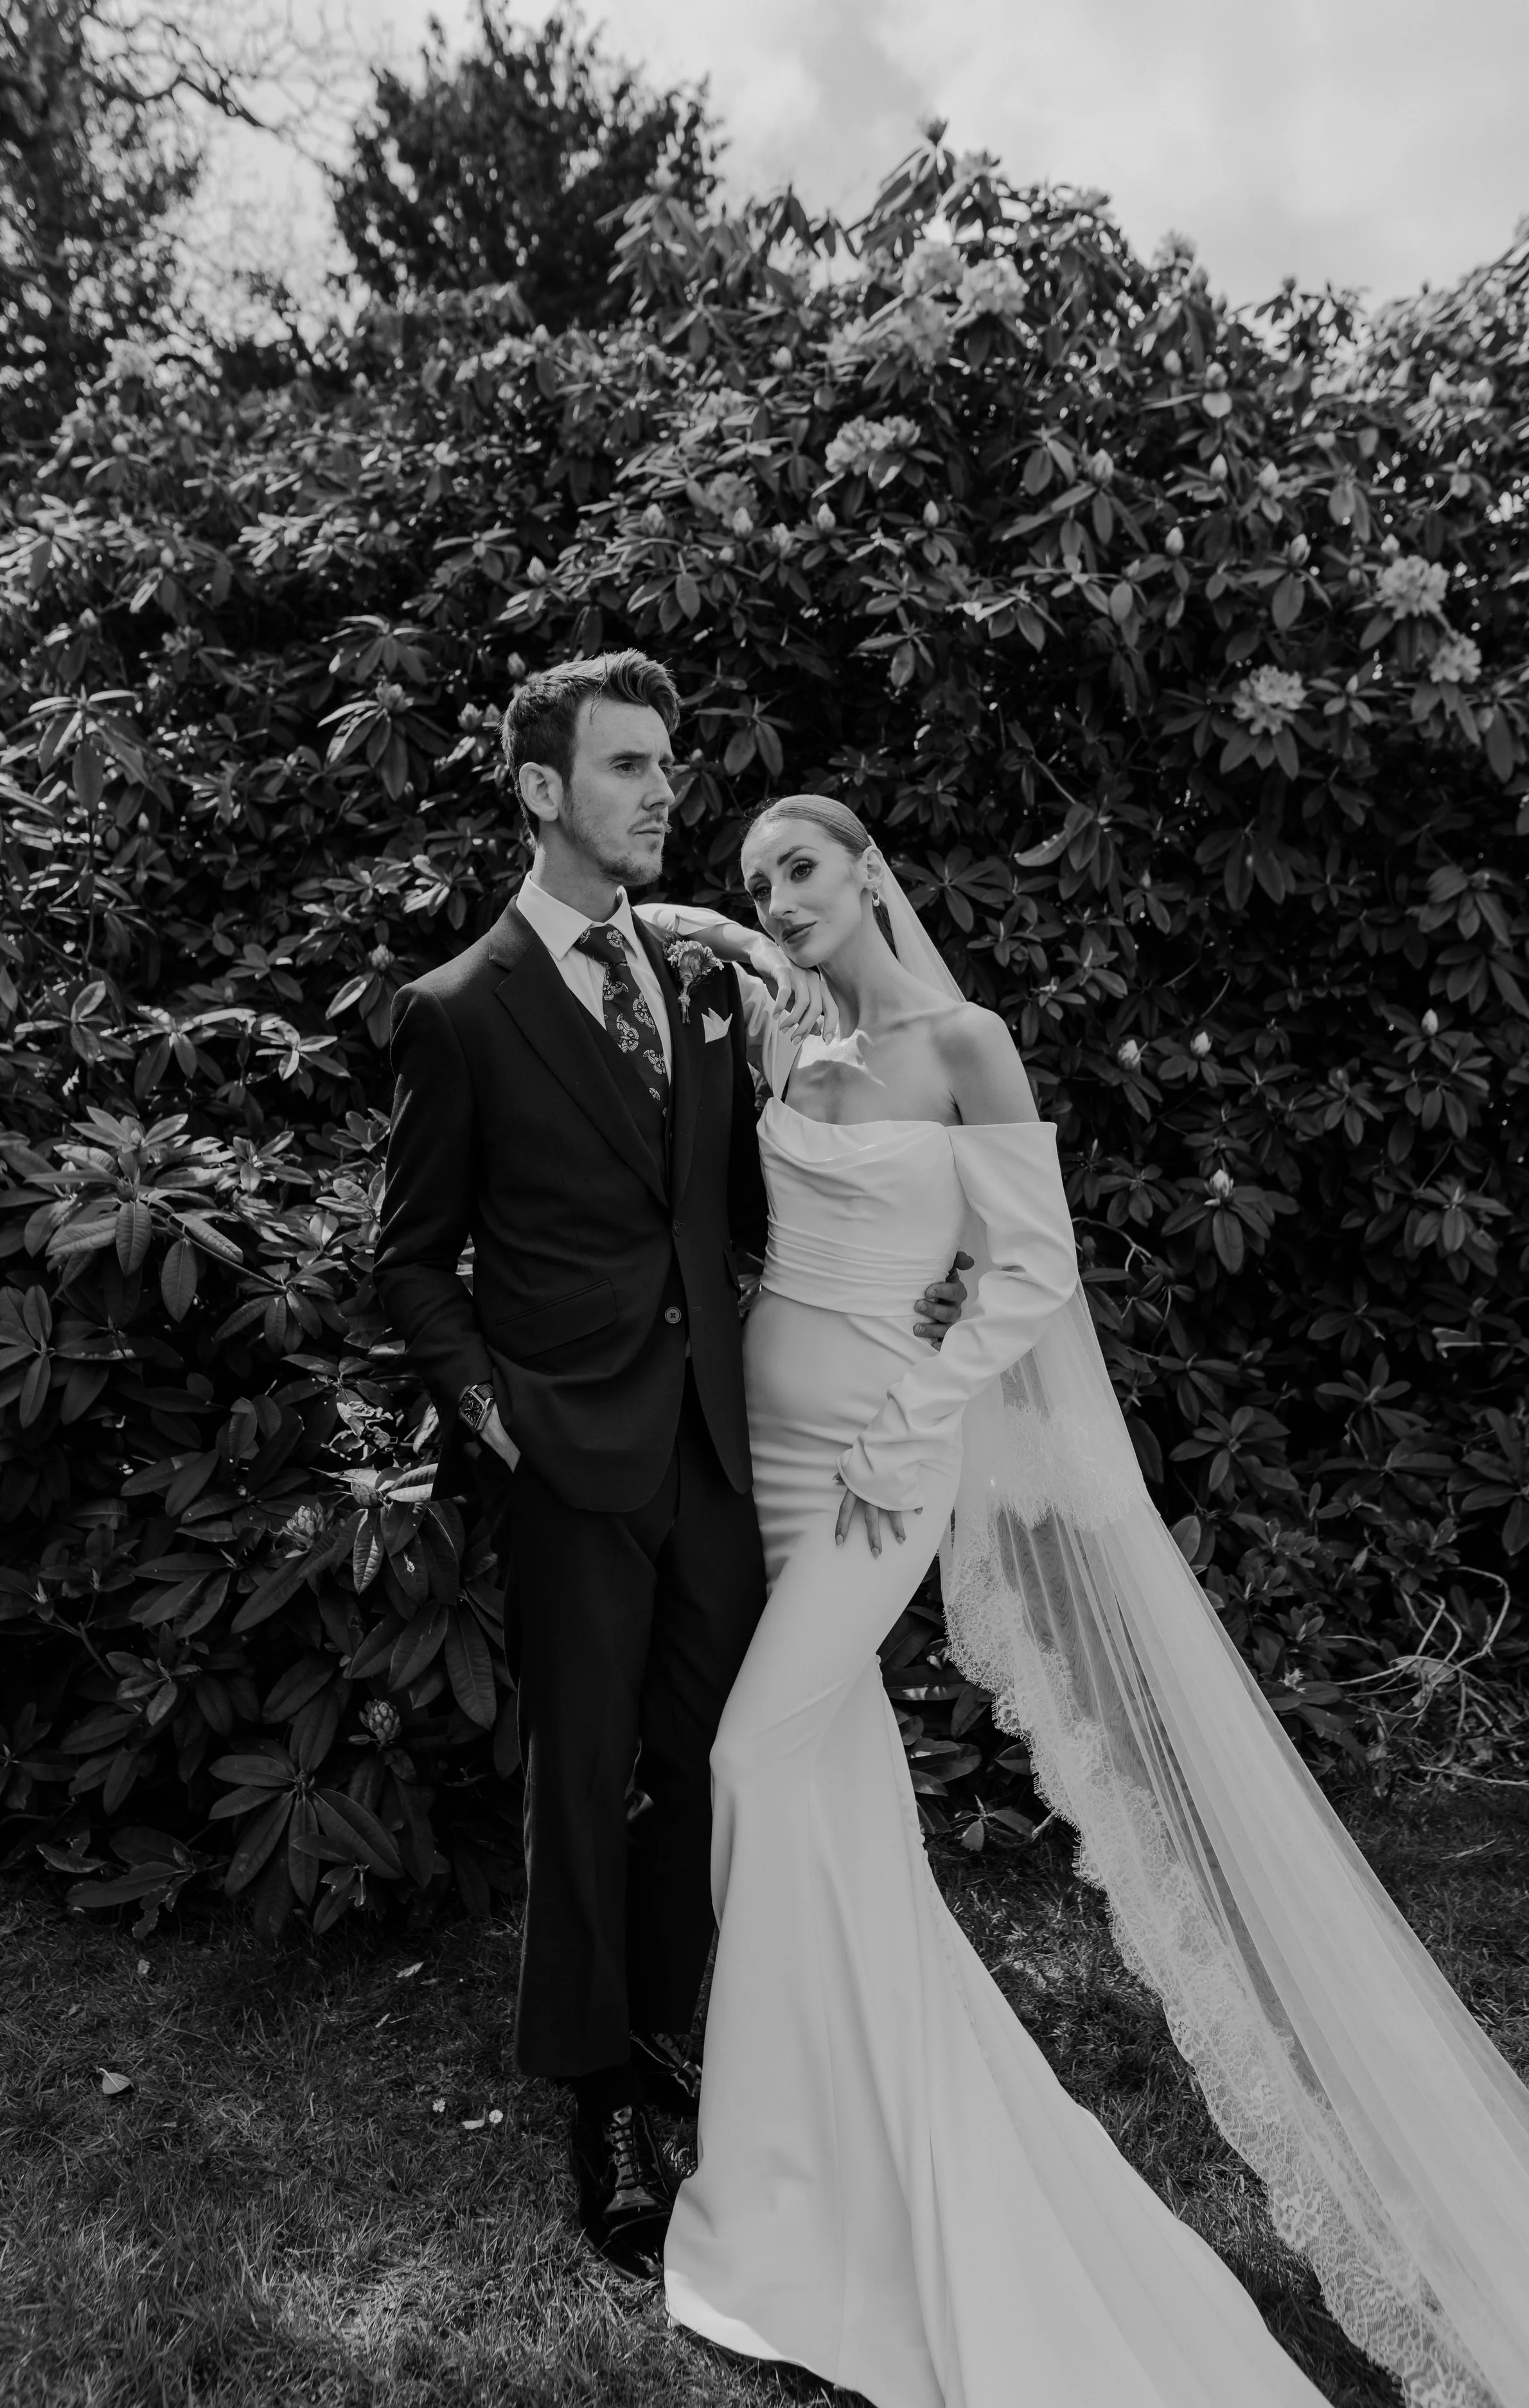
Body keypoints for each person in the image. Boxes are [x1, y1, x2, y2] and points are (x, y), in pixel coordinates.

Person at [638, 794, 1529, 2408]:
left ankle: (794, 2161)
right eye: (756, 880)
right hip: (761, 1446)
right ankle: (826, 2157)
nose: (775, 898)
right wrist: (695, 930)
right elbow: (704, 997)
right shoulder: (787, 1038)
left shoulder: (960, 1040)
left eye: (801, 868)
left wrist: (914, 1416)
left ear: (867, 874)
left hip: (875, 1461)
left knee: (748, 1763)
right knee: (828, 1798)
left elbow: (1030, 1264)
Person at [372, 657, 966, 2272]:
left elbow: (756, 1177)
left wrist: (898, 1263)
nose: (660, 792)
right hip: (567, 1454)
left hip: (714, 1441)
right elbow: (410, 1259)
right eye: (626, 765)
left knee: (711, 1761)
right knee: (581, 1778)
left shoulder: (701, 973)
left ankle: (672, 2028)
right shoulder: (457, 1010)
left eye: (664, 765)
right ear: (541, 788)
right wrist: (492, 1415)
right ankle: (601, 2100)